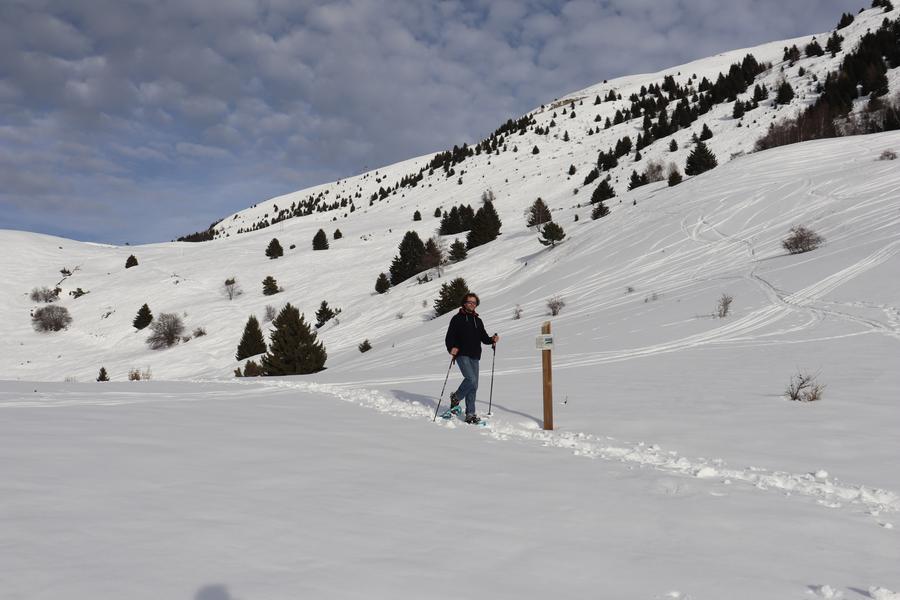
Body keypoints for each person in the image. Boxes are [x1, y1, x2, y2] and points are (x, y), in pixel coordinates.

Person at [444, 293, 499, 424]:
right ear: (464, 303)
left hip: (475, 355)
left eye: (474, 303)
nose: (472, 304)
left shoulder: (478, 321)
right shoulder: (456, 318)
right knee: (471, 379)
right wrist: (451, 347)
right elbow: (449, 337)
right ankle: (456, 397)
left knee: (474, 386)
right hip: (461, 354)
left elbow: (484, 338)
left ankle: (470, 414)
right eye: (470, 302)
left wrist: (492, 339)